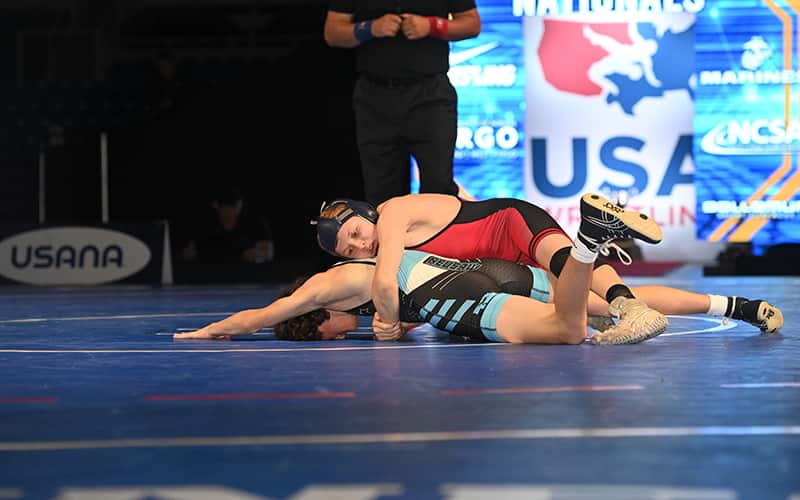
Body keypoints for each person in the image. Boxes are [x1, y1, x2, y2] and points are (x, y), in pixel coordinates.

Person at [175, 194, 784, 344]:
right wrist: (397, 324)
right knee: (597, 301)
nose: (360, 244)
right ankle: (739, 308)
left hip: (483, 262)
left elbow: (385, 287)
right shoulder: (386, 234)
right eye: (349, 245)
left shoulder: (375, 238)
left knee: (572, 324)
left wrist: (206, 332)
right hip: (486, 263)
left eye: (357, 232)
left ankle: (597, 245)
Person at [322, 1, 481, 206]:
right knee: (382, 194)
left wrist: (432, 26)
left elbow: (472, 24)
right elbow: (332, 32)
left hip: (430, 95)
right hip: (374, 96)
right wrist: (369, 29)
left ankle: (438, 238)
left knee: (439, 189)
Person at [181, 188, 274, 265]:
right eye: (224, 211)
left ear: (239, 209)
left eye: (232, 210)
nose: (228, 215)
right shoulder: (205, 225)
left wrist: (259, 256)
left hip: (250, 276)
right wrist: (189, 255)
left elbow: (268, 254)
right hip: (210, 276)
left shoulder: (255, 223)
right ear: (217, 208)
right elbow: (188, 253)